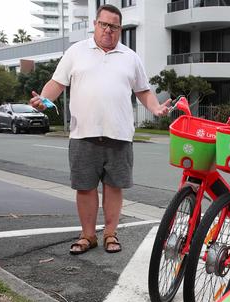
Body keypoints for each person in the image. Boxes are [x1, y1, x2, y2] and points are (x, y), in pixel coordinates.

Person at [30, 4, 171, 255]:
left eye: (114, 27)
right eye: (104, 25)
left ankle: (110, 234)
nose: (108, 30)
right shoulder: (76, 52)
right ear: (95, 24)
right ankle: (87, 236)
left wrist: (156, 108)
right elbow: (57, 83)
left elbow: (143, 91)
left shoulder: (130, 57)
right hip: (83, 133)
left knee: (114, 186)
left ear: (120, 29)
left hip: (119, 134)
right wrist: (43, 100)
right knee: (84, 187)